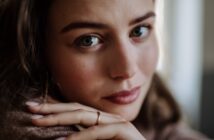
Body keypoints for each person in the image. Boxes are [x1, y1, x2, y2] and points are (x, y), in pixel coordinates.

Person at [0, 0, 209, 139]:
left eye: (139, 30)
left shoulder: (156, 110)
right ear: (37, 51)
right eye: (88, 40)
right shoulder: (24, 129)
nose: (127, 69)